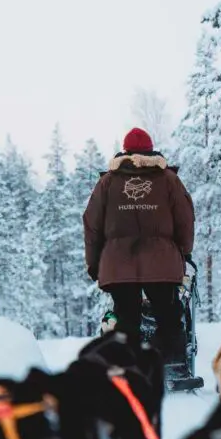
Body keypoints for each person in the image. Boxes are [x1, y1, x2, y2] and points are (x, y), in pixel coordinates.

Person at [83, 127, 195, 362]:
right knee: (169, 315)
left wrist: (94, 264)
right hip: (162, 261)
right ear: (151, 149)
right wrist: (183, 253)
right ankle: (173, 364)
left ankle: (128, 366)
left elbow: (92, 225)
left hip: (118, 263)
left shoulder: (107, 183)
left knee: (125, 318)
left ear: (124, 151)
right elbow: (185, 219)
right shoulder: (169, 180)